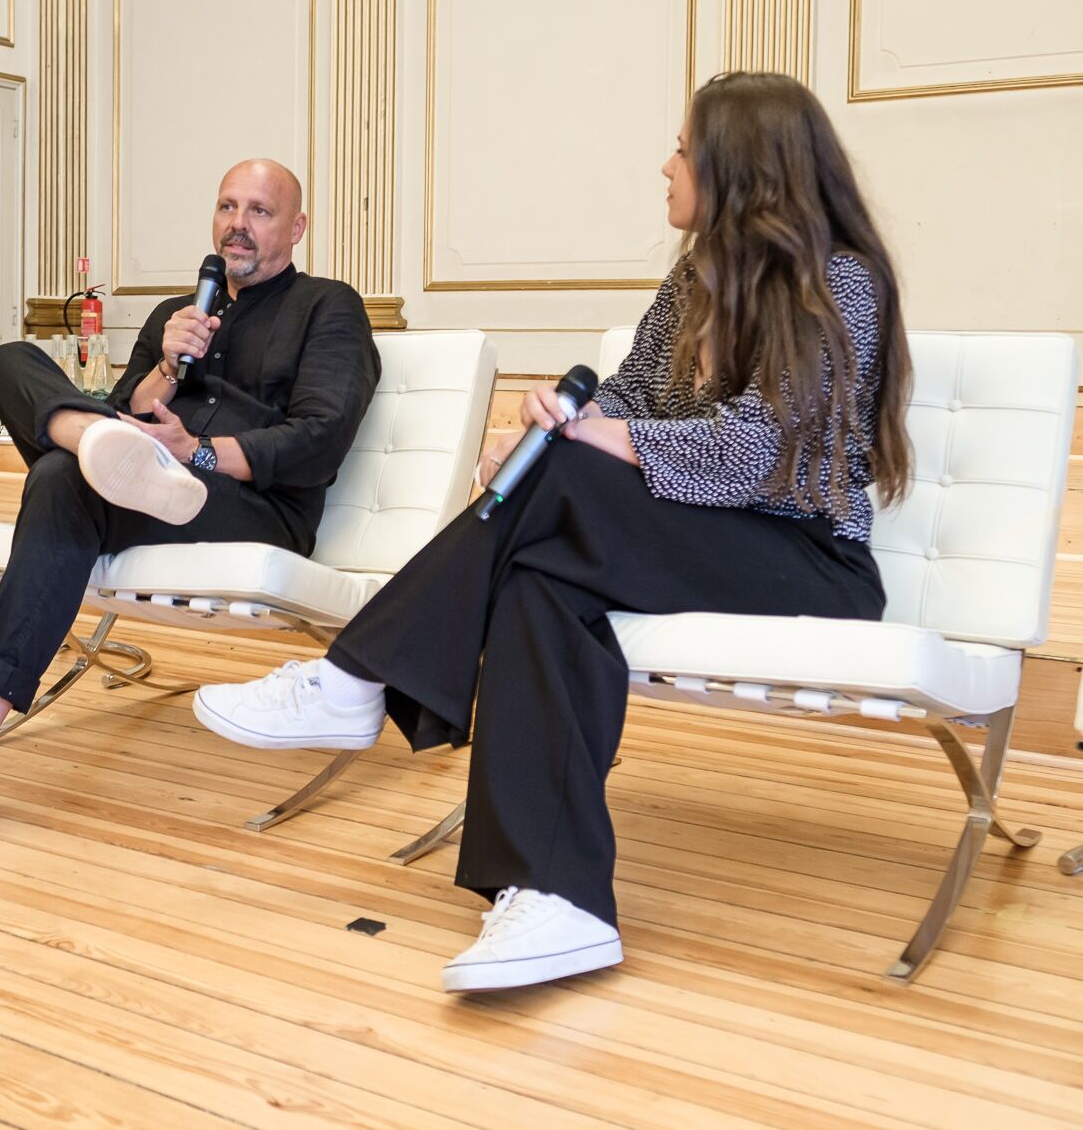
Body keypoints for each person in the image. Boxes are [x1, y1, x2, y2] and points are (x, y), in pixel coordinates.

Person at [194, 73, 912, 993]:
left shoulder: (839, 283)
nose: (666, 165)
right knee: (541, 585)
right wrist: (550, 426)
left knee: (562, 470)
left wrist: (584, 441)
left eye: (684, 149)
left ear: (739, 167)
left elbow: (766, 451)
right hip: (683, 540)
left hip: (808, 561)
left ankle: (357, 674)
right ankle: (558, 898)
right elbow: (629, 399)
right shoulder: (696, 278)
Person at [0, 158, 381, 861]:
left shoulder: (328, 305)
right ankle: (91, 446)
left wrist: (198, 452)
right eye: (227, 206)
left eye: (259, 211)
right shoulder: (175, 314)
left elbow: (318, 440)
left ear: (297, 227)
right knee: (11, 360)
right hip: (144, 478)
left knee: (66, 476)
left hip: (247, 502)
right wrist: (164, 364)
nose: (236, 225)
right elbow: (128, 405)